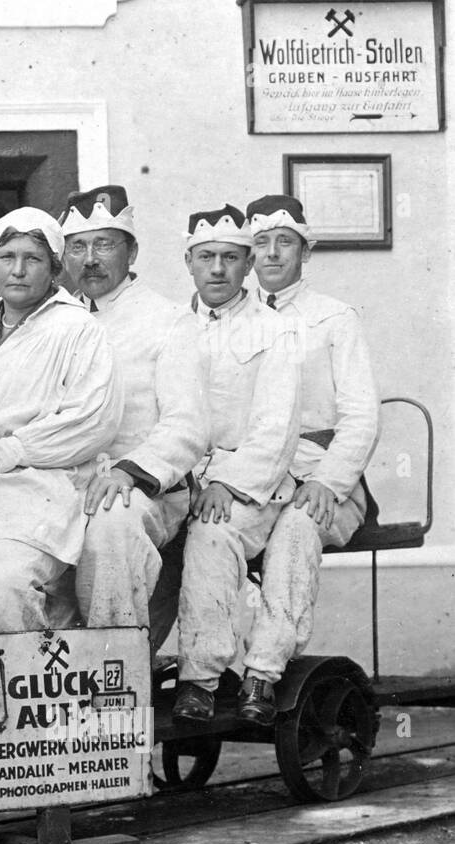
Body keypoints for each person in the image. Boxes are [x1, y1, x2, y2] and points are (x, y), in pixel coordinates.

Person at [235, 194, 379, 724]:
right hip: (256, 477)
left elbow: (362, 416)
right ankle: (197, 678)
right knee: (209, 531)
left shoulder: (334, 318)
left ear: (305, 251)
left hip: (322, 477)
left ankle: (263, 674)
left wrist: (329, 482)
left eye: (285, 243)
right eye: (261, 244)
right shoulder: (232, 318)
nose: (272, 254)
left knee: (298, 526)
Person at [0, 207, 122, 634]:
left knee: (4, 584)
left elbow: (93, 421)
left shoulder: (77, 328)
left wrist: (3, 453)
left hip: (38, 489)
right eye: (6, 257)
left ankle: (22, 695)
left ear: (53, 269)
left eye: (32, 259)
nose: (17, 270)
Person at [60, 186, 207, 642]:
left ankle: (114, 676)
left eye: (104, 244)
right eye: (77, 247)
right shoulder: (59, 319)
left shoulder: (169, 320)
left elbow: (187, 425)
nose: (89, 259)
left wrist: (129, 472)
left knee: (111, 526)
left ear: (132, 250)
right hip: (68, 479)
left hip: (145, 487)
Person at [173, 205, 301, 723]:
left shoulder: (277, 330)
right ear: (189, 262)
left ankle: (200, 680)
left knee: (210, 534)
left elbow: (277, 425)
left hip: (249, 485)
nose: (218, 269)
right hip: (179, 476)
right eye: (207, 257)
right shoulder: (173, 326)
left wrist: (227, 483)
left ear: (248, 265)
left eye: (230, 257)